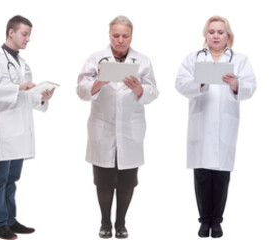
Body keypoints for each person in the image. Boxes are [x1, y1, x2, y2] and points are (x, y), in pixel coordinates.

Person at [75, 15, 158, 239]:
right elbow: (81, 90)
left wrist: (140, 89)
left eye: (125, 36)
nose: (120, 40)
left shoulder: (142, 60)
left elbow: (154, 92)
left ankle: (121, 223)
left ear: (131, 36)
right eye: (116, 35)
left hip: (130, 129)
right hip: (103, 128)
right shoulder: (96, 59)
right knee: (103, 178)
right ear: (109, 35)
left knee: (127, 179)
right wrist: (98, 82)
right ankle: (104, 222)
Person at [174, 15, 256, 239]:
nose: (216, 35)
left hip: (225, 124)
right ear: (205, 35)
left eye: (221, 32)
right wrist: (200, 82)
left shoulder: (240, 60)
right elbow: (180, 83)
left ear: (228, 35)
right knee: (202, 175)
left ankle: (217, 221)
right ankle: (203, 221)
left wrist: (236, 83)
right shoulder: (194, 59)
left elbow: (251, 85)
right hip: (201, 122)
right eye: (212, 32)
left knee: (220, 176)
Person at [0, 15, 52, 240]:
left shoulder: (23, 64)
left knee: (13, 179)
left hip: (21, 129)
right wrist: (17, 87)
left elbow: (27, 97)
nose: (28, 39)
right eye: (25, 33)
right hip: (3, 128)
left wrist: (42, 96)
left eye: (29, 35)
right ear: (11, 32)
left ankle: (11, 220)